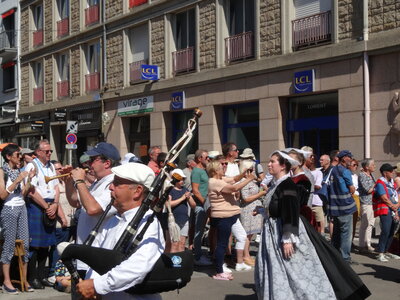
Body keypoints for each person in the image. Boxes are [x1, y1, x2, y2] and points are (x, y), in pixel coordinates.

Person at [255, 150, 371, 300]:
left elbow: (290, 211)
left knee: (296, 270)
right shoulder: (277, 184)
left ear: (283, 166)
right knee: (281, 269)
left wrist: (288, 238)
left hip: (285, 231)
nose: (268, 164)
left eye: (272, 162)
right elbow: (277, 207)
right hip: (273, 232)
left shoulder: (287, 184)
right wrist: (263, 211)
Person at [76, 163, 165, 300]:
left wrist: (97, 286)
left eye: (117, 184)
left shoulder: (149, 223)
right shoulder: (114, 220)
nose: (111, 187)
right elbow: (98, 258)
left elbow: (137, 267)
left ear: (137, 191)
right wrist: (91, 284)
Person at [64, 142, 120, 286]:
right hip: (84, 253)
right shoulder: (97, 182)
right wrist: (69, 182)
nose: (88, 164)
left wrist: (80, 181)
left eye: (93, 159)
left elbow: (93, 209)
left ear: (107, 163)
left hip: (97, 255)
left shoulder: (114, 184)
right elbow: (75, 201)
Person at [207, 160, 254, 280]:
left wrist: (243, 174)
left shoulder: (221, 179)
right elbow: (234, 188)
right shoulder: (214, 182)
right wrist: (249, 179)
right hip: (223, 217)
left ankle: (236, 264)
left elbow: (234, 179)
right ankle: (219, 271)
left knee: (241, 236)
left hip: (231, 215)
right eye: (221, 166)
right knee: (222, 244)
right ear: (215, 170)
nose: (224, 167)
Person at [0, 144, 35, 294]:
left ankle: (23, 280)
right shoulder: (2, 171)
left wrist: (29, 180)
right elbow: (2, 195)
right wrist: (17, 180)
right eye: (17, 154)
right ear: (8, 157)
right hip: (9, 210)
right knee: (8, 245)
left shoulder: (19, 171)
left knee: (25, 245)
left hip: (22, 208)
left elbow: (23, 193)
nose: (20, 157)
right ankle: (6, 281)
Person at [26, 139, 60, 289]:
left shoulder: (51, 166)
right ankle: (32, 277)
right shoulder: (31, 165)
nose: (49, 153)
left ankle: (42, 276)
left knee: (46, 245)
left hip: (50, 205)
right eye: (47, 151)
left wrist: (55, 205)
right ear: (38, 152)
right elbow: (31, 191)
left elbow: (56, 187)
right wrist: (47, 207)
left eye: (50, 151)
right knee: (34, 245)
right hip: (37, 206)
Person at [47, 161, 75, 285]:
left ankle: (63, 272)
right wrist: (63, 218)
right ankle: (53, 272)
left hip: (72, 220)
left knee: (68, 248)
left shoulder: (66, 182)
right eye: (57, 169)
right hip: (61, 223)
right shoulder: (55, 184)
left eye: (61, 168)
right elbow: (56, 203)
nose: (60, 171)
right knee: (57, 249)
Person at [328, 150, 357, 264]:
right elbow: (351, 188)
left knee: (336, 233)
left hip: (334, 207)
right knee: (346, 234)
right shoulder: (345, 171)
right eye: (349, 158)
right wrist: (352, 189)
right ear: (344, 158)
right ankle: (345, 258)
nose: (351, 160)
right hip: (345, 206)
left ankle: (335, 255)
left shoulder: (333, 170)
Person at [238, 159, 265, 267]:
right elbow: (245, 198)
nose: (253, 171)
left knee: (250, 235)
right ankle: (245, 256)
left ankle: (247, 254)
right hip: (247, 209)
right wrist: (261, 194)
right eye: (250, 169)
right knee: (247, 235)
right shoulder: (243, 182)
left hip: (254, 210)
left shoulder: (251, 181)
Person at [373, 163, 400, 262]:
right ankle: (380, 252)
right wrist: (394, 206)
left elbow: (397, 194)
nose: (393, 173)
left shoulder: (392, 183)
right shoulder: (380, 182)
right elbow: (384, 197)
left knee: (392, 230)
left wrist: (397, 205)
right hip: (385, 209)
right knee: (385, 230)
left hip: (393, 209)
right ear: (385, 173)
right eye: (391, 171)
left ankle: (386, 250)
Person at [190, 149, 212, 265]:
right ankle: (197, 256)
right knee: (199, 231)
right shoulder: (196, 172)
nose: (208, 159)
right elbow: (195, 190)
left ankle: (201, 254)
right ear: (199, 159)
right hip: (201, 205)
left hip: (206, 204)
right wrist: (205, 203)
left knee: (203, 230)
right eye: (206, 157)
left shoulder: (205, 171)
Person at [166, 169, 196, 252]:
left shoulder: (185, 189)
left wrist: (189, 197)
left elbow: (193, 205)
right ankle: (173, 263)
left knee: (182, 243)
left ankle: (180, 263)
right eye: (180, 179)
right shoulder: (170, 190)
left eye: (183, 179)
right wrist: (182, 198)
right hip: (174, 220)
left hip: (184, 219)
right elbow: (168, 204)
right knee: (174, 243)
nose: (182, 181)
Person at [358, 158, 376, 253]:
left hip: (372, 202)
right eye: (372, 165)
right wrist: (376, 185)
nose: (374, 166)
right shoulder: (362, 175)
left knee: (370, 224)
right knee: (365, 224)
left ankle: (368, 243)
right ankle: (361, 245)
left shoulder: (371, 175)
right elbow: (367, 190)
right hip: (366, 202)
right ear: (367, 167)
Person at [349, 159, 360, 241]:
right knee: (349, 221)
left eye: (356, 165)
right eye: (354, 165)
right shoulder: (346, 175)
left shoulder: (356, 176)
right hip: (350, 196)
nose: (355, 167)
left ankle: (351, 240)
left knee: (354, 220)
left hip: (356, 197)